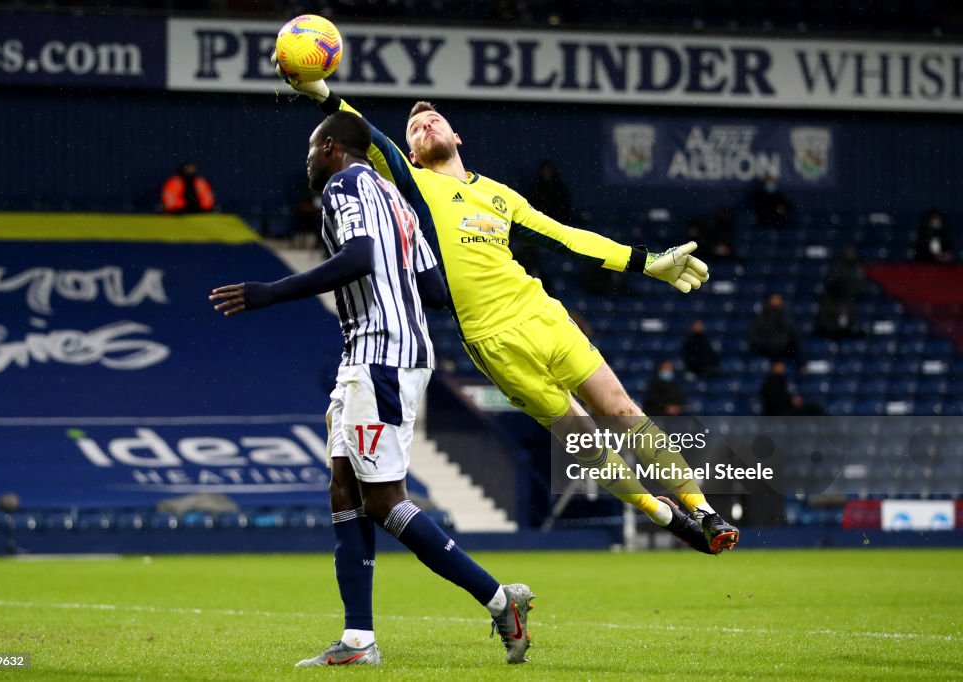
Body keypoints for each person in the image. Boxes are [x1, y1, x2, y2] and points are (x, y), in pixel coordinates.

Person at [278, 65, 739, 556]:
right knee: (584, 441)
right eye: (416, 128)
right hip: (490, 341)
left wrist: (645, 261)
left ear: (457, 135)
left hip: (541, 315)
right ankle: (661, 512)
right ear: (411, 152)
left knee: (622, 408)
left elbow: (566, 238)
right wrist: (325, 94)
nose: (425, 126)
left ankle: (706, 513)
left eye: (433, 120)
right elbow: (367, 137)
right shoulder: (414, 184)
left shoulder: (501, 195)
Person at [208, 112, 534, 667]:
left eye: (312, 150)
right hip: (378, 352)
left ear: (332, 147)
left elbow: (359, 255)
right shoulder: (398, 198)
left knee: (384, 501)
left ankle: (500, 600)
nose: (307, 161)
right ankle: (358, 641)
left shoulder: (347, 183)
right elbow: (433, 288)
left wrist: (269, 293)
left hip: (381, 354)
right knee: (343, 488)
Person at [749, 293, 802, 364]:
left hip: (784, 356)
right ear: (769, 302)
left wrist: (802, 363)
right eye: (774, 300)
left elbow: (796, 340)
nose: (776, 303)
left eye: (778, 300)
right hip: (764, 355)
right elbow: (754, 339)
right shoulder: (760, 319)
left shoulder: (787, 319)